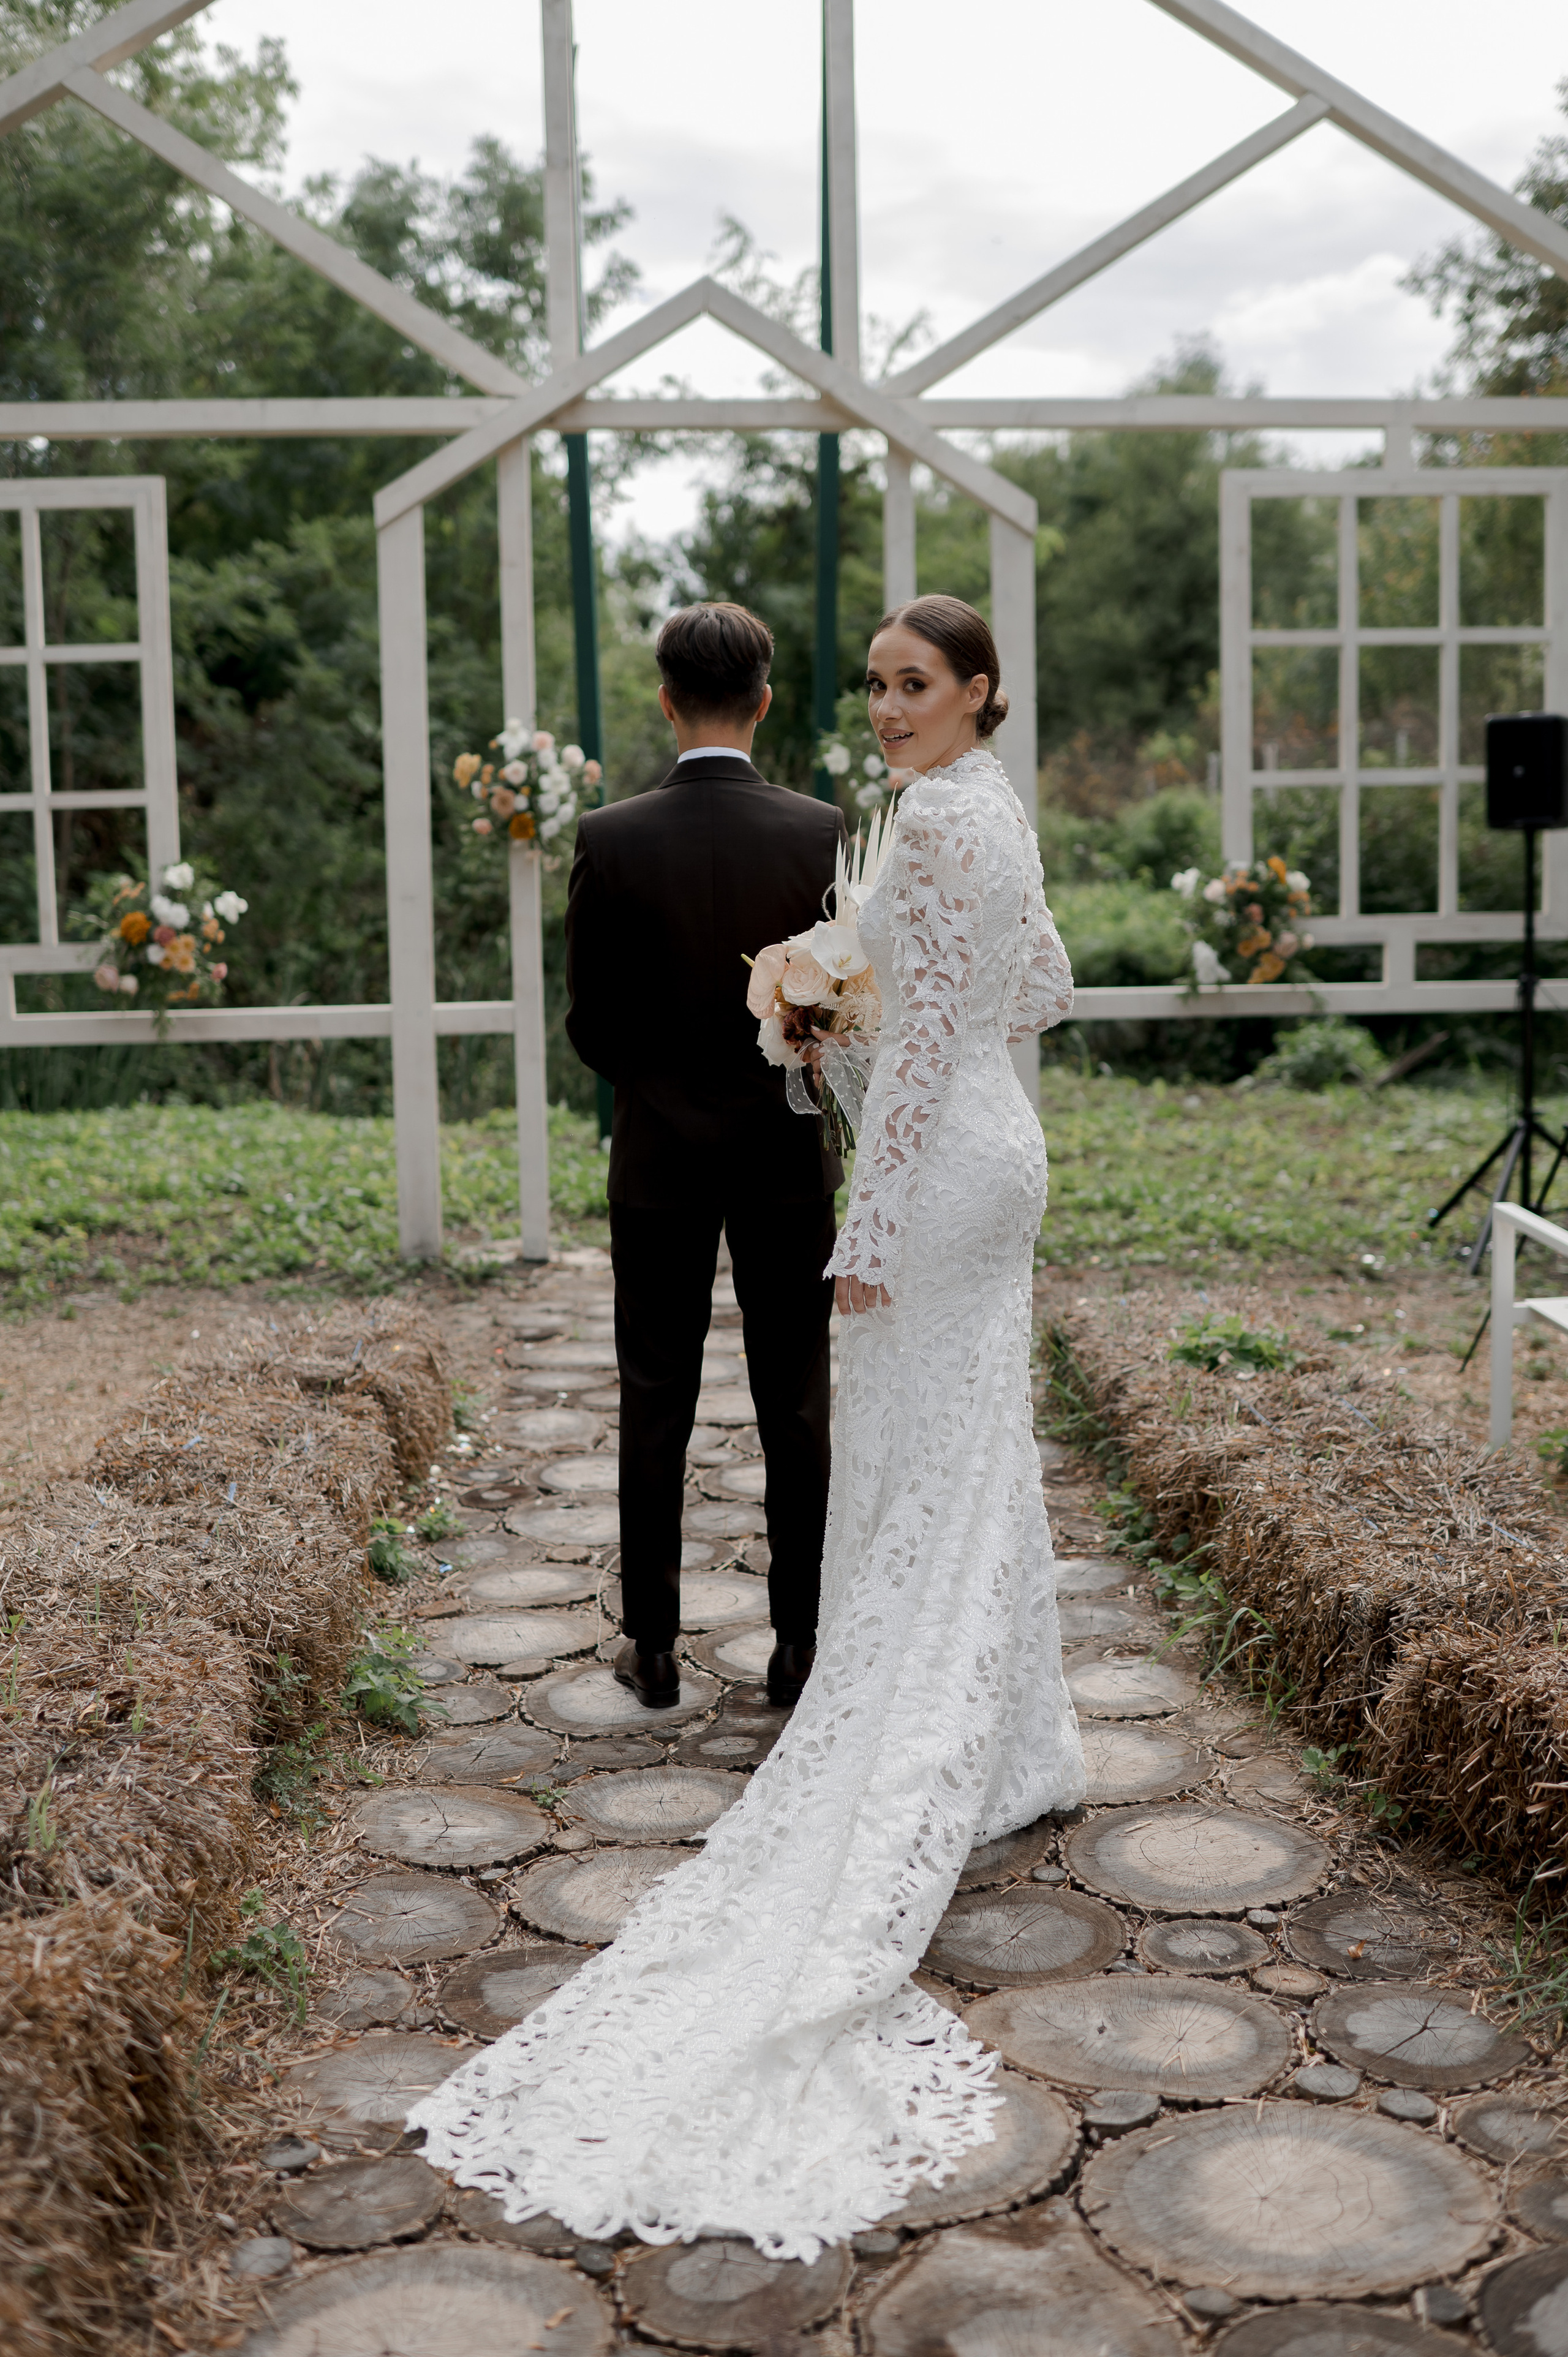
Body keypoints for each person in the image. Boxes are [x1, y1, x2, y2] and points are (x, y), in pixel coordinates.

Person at [409, 593, 1085, 2259]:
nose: (891, 707)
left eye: (914, 684)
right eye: (875, 686)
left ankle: (694, 1658)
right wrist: (820, 1040)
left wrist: (794, 1081)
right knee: (865, 1432)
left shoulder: (815, 819)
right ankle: (882, 1688)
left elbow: (877, 1034)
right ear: (779, 693)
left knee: (689, 1404)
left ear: (977, 692)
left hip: (757, 1156)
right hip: (931, 1163)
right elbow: (1032, 992)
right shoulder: (923, 814)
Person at [562, 602, 845, 1711]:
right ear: (764, 701)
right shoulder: (820, 832)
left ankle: (655, 1650)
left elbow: (589, 1027)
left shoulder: (610, 837)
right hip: (786, 1156)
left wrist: (664, 1088)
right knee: (797, 1402)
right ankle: (798, 1647)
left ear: (666, 699)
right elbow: (844, 1010)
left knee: (654, 1394)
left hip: (658, 1164)